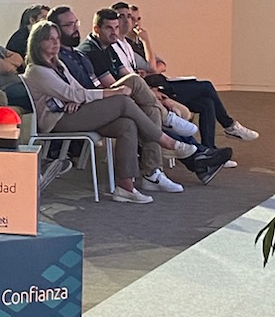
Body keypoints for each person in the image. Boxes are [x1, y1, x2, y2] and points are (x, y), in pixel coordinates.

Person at [50, 7, 230, 184]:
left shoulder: (84, 53)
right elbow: (83, 88)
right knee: (141, 98)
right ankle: (186, 146)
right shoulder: (83, 52)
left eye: (76, 23)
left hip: (103, 99)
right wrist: (77, 98)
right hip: (90, 106)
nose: (75, 28)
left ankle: (158, 172)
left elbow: (98, 82)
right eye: (69, 25)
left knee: (151, 111)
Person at [23, 19, 174, 202]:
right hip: (57, 120)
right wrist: (110, 92)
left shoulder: (58, 65)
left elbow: (77, 91)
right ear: (37, 43)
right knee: (122, 101)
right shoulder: (37, 70)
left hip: (73, 112)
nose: (55, 43)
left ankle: (125, 186)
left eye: (56, 38)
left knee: (126, 125)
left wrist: (76, 100)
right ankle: (164, 140)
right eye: (49, 39)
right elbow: (72, 93)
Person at [109, 0, 259, 149]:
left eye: (135, 18)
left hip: (163, 81)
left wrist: (149, 66)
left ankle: (209, 149)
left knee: (207, 103)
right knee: (206, 86)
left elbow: (162, 64)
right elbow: (153, 68)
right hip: (157, 87)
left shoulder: (136, 43)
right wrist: (147, 45)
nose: (133, 22)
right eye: (127, 17)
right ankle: (229, 126)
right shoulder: (129, 44)